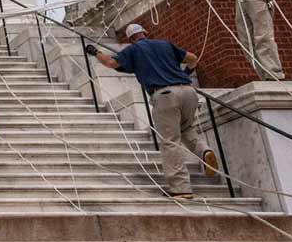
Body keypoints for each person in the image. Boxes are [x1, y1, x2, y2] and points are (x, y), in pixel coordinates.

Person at [89, 24, 219, 199]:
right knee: (187, 129)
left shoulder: (133, 50)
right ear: (145, 33)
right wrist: (187, 73)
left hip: (164, 95)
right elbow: (193, 58)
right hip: (189, 92)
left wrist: (95, 51)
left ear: (130, 39)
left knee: (170, 141)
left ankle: (181, 189)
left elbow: (111, 62)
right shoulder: (165, 44)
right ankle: (204, 152)